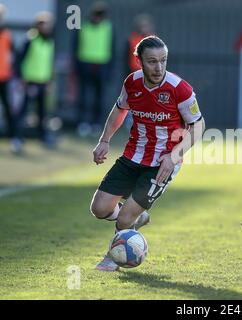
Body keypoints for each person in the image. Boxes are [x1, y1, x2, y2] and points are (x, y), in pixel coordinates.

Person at [90, 35, 206, 271]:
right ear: (139, 62)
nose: (159, 67)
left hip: (162, 164)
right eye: (152, 61)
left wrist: (173, 157)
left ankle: (113, 257)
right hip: (133, 156)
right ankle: (137, 217)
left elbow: (199, 126)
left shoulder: (179, 89)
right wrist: (104, 140)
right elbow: (119, 109)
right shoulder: (132, 83)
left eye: (163, 60)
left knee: (123, 219)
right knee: (99, 208)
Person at [74, 1, 114, 137]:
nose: (98, 18)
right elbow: (75, 47)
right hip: (85, 64)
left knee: (100, 96)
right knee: (84, 95)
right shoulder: (83, 27)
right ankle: (83, 123)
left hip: (102, 65)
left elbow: (112, 49)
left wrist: (110, 69)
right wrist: (77, 67)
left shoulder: (108, 28)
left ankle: (97, 124)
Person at [17, 11, 55, 149]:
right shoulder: (30, 39)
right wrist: (21, 78)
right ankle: (18, 138)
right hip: (30, 81)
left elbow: (49, 63)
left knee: (42, 112)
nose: (46, 27)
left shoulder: (49, 41)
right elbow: (19, 60)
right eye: (44, 24)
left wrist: (50, 80)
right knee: (24, 111)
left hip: (43, 82)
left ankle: (43, 137)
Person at [0, 4, 20, 153]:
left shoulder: (7, 34)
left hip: (4, 77)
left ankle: (14, 138)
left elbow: (14, 55)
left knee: (8, 109)